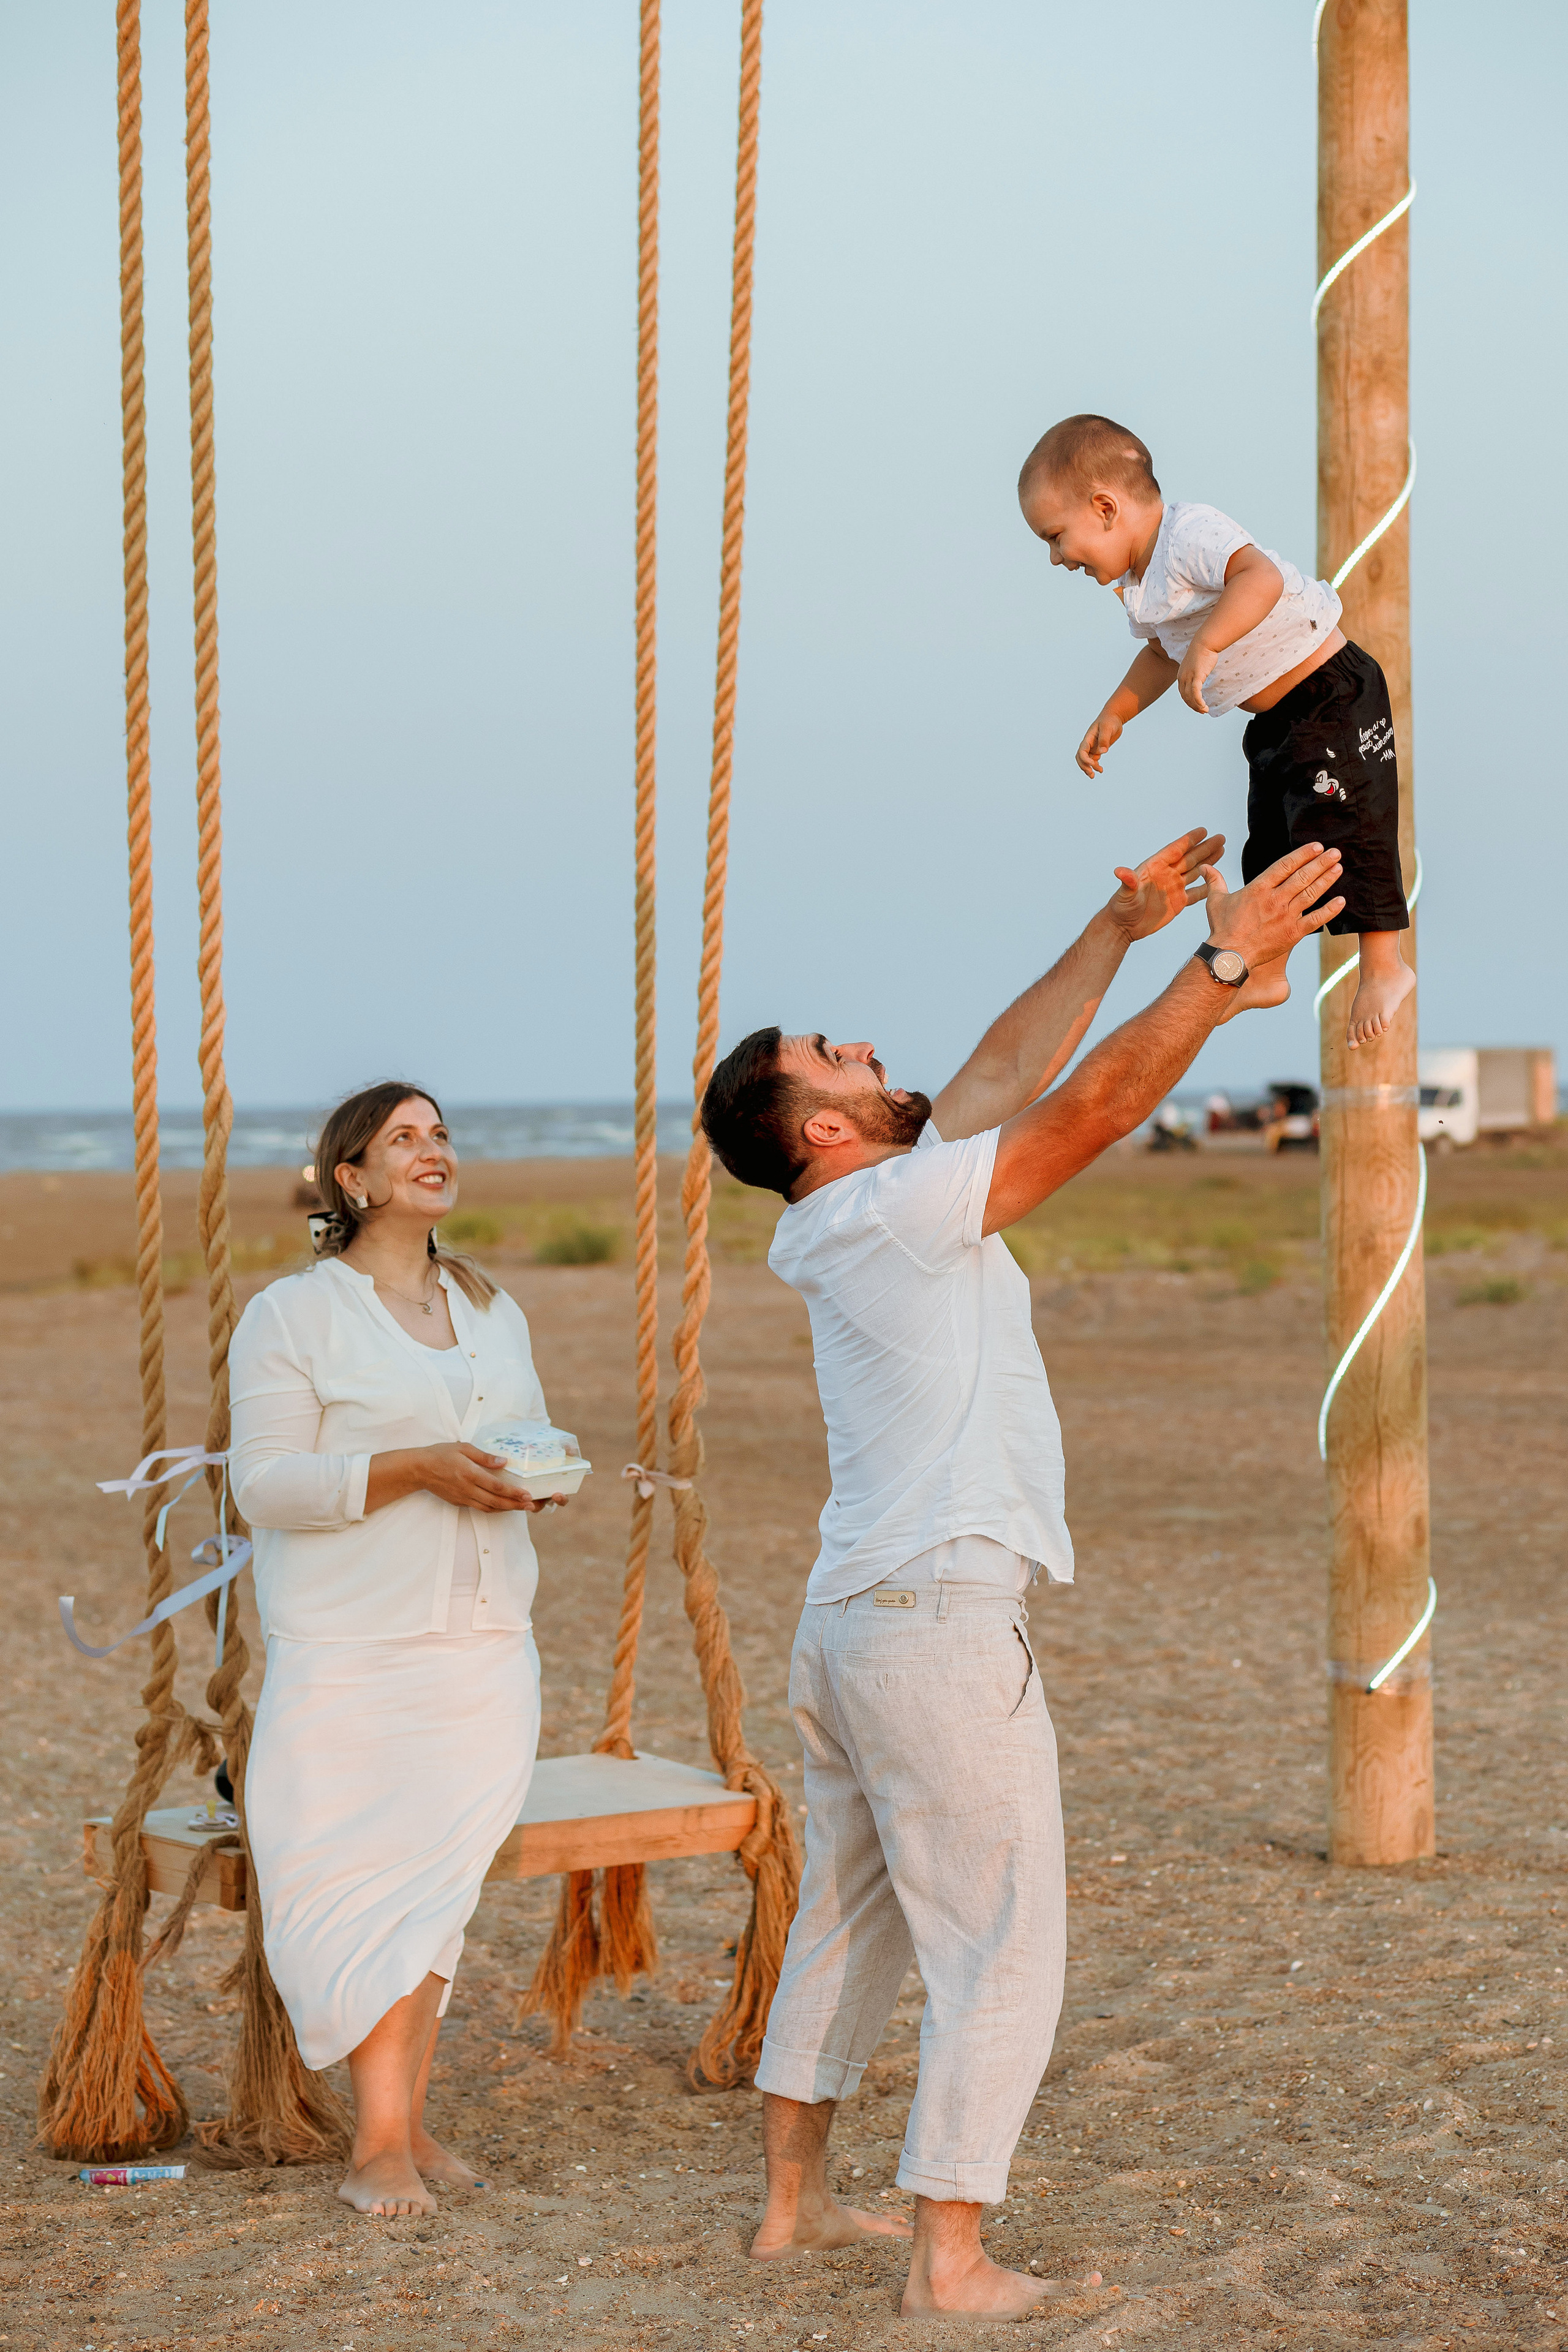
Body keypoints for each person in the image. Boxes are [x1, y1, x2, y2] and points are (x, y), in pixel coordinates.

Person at [698, 829, 1345, 2318]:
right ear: (815, 1129)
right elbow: (1092, 1106)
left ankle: (792, 2207)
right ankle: (949, 2256)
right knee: (1000, 1938)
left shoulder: (855, 1205)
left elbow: (1000, 1064)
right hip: (928, 1620)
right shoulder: (892, 1209)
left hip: (855, 1618)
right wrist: (1222, 959)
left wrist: (1115, 930)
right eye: (829, 1055)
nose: (863, 1046)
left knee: (852, 1916)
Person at [229, 1080, 572, 2219]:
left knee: (434, 1895)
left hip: (481, 1645)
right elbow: (263, 1486)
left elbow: (514, 1440)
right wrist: (414, 1468)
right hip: (350, 1648)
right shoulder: (295, 1314)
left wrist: (531, 1479)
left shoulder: (493, 1309)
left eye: (441, 1135)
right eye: (402, 1141)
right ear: (353, 1180)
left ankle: (403, 2128)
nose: (432, 1152)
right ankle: (379, 2145)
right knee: (350, 1886)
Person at [1017, 412, 1412, 1052]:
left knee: (1347, 828)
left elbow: (1260, 578)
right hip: (1276, 721)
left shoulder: (1188, 532)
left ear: (1105, 506)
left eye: (1057, 537)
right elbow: (1157, 655)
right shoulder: (1137, 587)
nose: (1057, 558)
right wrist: (1115, 712)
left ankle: (1385, 967)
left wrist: (1209, 643)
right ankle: (1267, 969)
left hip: (1331, 694)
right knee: (1273, 849)